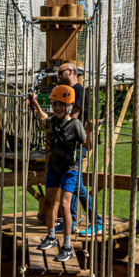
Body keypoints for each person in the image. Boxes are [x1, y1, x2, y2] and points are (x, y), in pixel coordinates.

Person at [30, 85, 87, 262]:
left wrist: (91, 132)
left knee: (64, 205)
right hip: (54, 168)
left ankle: (67, 246)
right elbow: (43, 118)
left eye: (60, 104)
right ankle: (51, 236)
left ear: (69, 106)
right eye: (54, 104)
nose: (56, 107)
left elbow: (87, 144)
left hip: (69, 170)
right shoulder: (54, 121)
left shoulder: (75, 124)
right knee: (49, 203)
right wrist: (35, 102)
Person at [55, 62, 100, 234]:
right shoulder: (70, 91)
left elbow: (73, 116)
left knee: (76, 186)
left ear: (71, 71)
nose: (58, 75)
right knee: (73, 185)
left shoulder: (78, 91)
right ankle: (71, 221)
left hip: (77, 145)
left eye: (61, 72)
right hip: (70, 145)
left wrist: (58, 125)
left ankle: (97, 221)